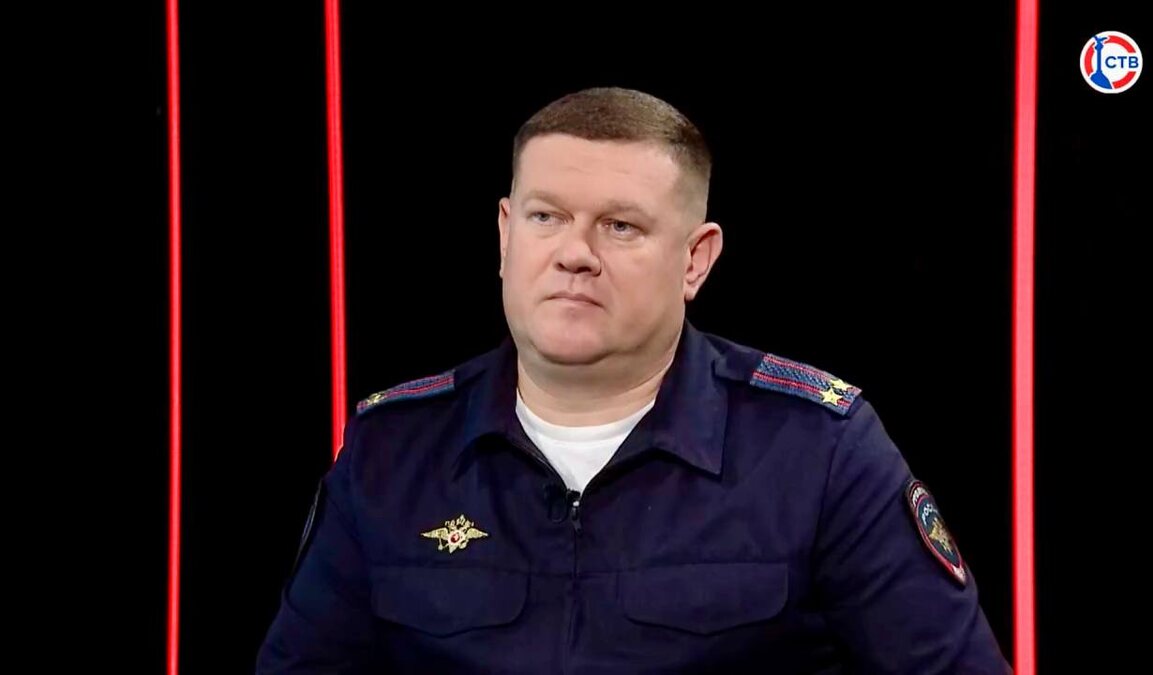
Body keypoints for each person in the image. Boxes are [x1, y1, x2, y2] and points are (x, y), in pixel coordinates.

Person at [257, 86, 1011, 674]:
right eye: (546, 217)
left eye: (620, 226)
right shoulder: (391, 450)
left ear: (695, 260)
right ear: (504, 233)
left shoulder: (819, 451)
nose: (574, 253)